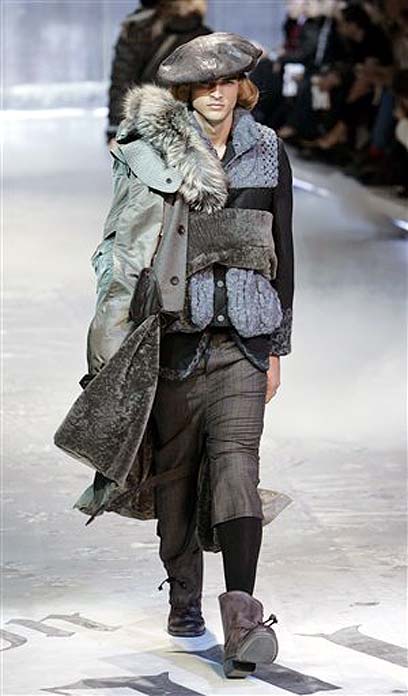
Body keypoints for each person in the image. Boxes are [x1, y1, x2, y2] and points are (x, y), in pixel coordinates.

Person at [55, 32, 294, 680]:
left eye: (227, 82)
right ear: (186, 92)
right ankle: (184, 594)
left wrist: (277, 346)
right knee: (177, 484)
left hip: (244, 339)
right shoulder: (153, 155)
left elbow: (284, 251)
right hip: (174, 342)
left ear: (242, 87)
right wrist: (107, 350)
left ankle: (243, 617)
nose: (216, 93)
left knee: (238, 467)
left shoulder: (266, 150)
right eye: (203, 84)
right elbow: (122, 251)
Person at [106, 0, 211, 145]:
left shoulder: (137, 29)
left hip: (143, 127)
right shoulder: (205, 37)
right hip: (189, 130)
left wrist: (116, 130)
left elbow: (122, 82)